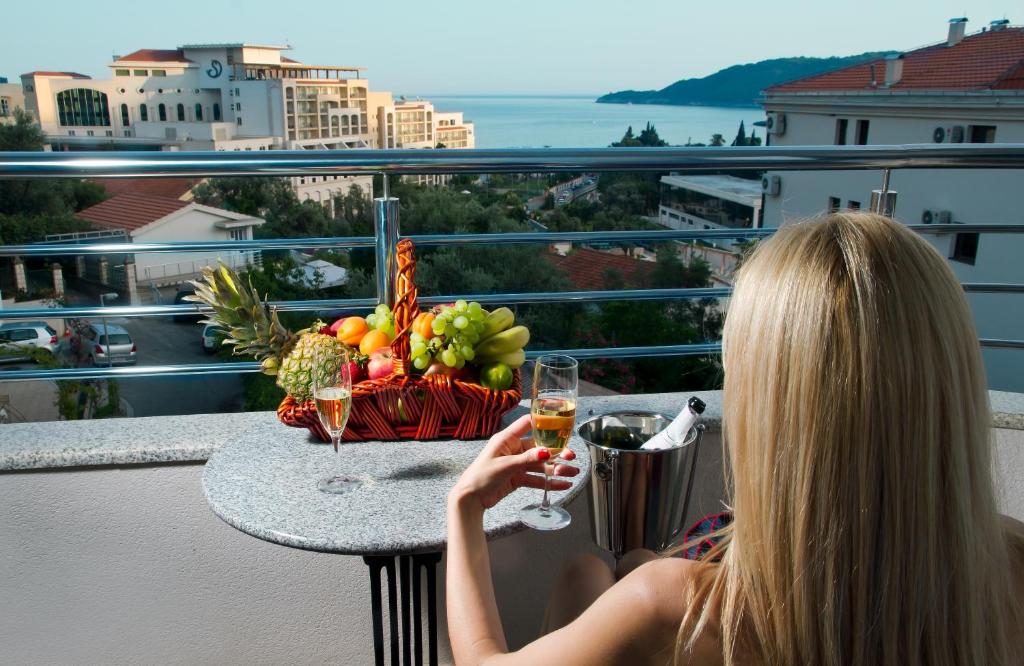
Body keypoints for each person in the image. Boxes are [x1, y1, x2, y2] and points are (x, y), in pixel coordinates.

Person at [446, 212, 1024, 665]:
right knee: (611, 568)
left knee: (601, 575)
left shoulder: (676, 609)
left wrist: (466, 507)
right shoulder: (1011, 559)